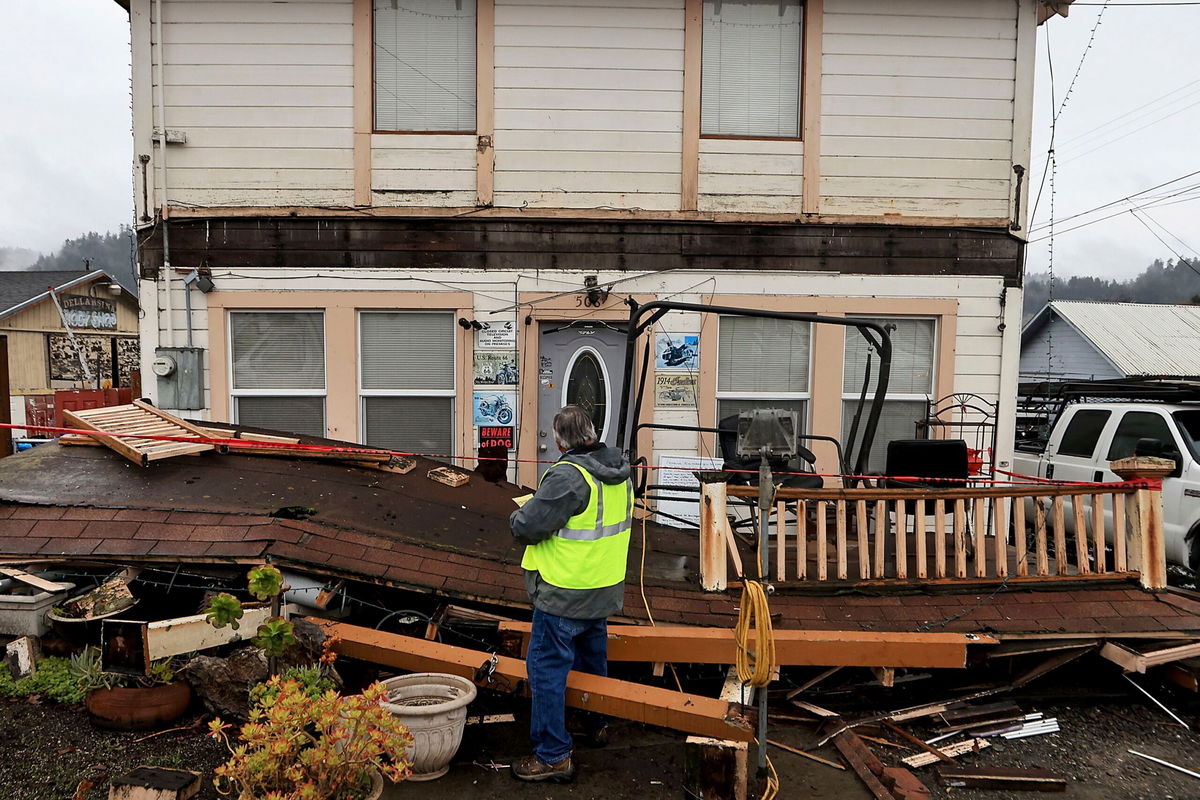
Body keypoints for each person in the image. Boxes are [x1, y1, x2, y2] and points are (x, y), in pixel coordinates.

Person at [508, 405, 633, 783]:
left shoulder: (568, 477)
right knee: (592, 661)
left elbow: (527, 528)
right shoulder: (620, 472)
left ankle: (553, 755)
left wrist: (518, 515)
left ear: (560, 441)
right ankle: (592, 722)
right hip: (601, 589)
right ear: (593, 434)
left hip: (564, 593)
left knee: (545, 671)